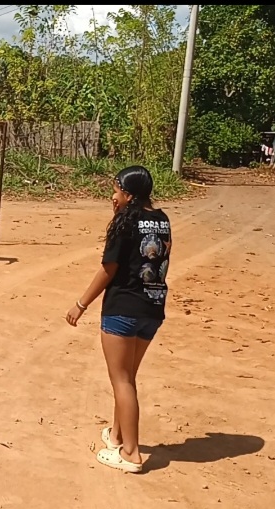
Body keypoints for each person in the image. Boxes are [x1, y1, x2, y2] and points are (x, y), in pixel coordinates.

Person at [64, 165, 172, 474]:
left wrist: (81, 304)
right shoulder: (162, 220)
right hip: (152, 308)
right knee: (126, 377)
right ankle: (116, 436)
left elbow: (108, 269)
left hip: (123, 308)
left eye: (116, 191)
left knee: (122, 380)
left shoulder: (125, 222)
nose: (113, 197)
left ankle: (131, 453)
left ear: (129, 194)